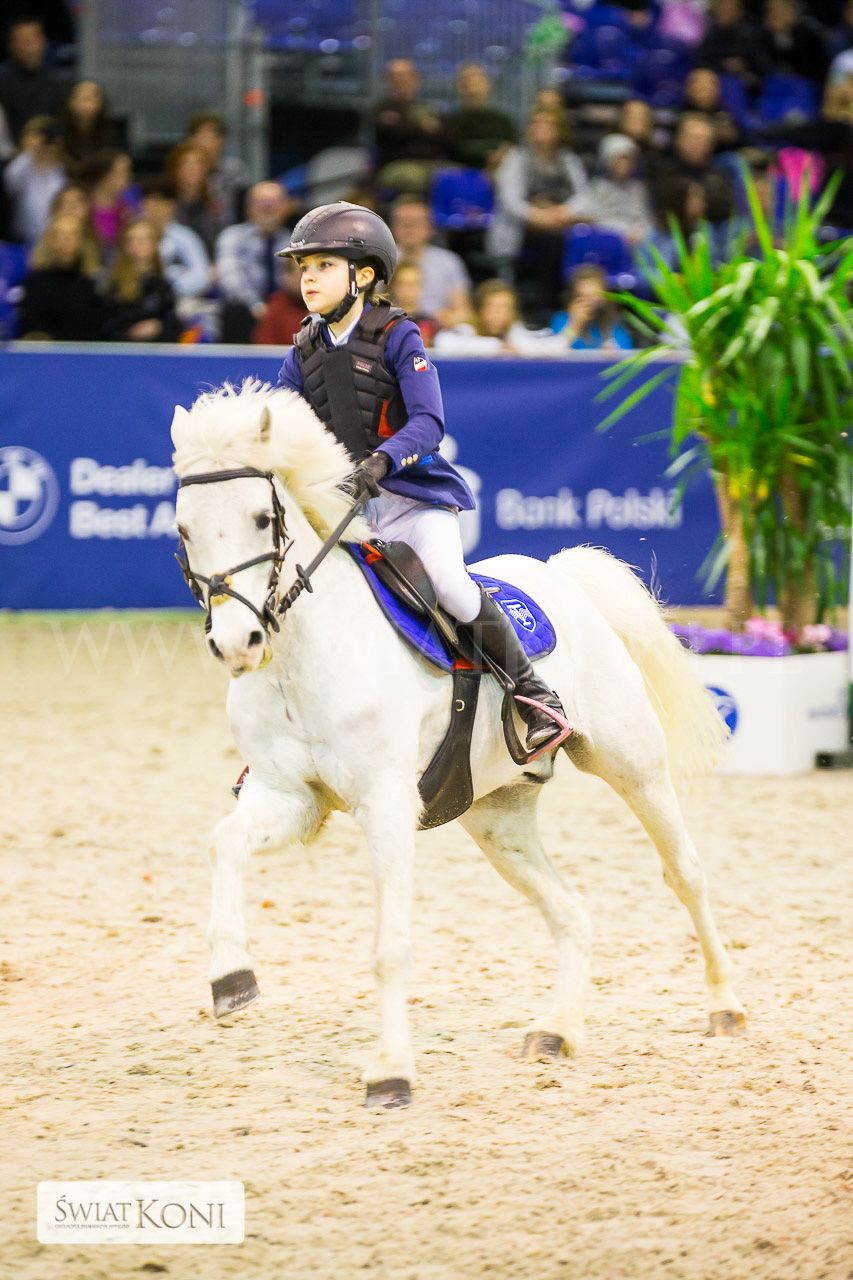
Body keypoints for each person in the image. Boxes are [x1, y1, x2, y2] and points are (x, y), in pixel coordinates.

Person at [275, 201, 566, 753]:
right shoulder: (303, 350)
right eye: (304, 267)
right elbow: (283, 423)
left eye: (324, 266)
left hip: (414, 502)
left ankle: (534, 694)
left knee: (451, 585)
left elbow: (429, 424)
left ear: (364, 275)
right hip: (349, 513)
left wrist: (381, 462)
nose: (308, 277)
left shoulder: (398, 335)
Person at [487, 107, 588, 322]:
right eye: (536, 124)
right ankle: (543, 307)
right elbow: (509, 198)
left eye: (547, 124)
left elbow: (584, 195)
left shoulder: (567, 159)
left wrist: (563, 211)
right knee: (551, 240)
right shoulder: (517, 157)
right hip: (523, 226)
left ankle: (562, 303)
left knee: (566, 239)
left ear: (559, 130)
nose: (541, 129)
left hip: (560, 222)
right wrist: (537, 215)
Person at [215, 180, 293, 343]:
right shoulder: (233, 236)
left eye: (274, 202)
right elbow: (231, 280)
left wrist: (275, 310)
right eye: (261, 202)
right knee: (235, 312)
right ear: (248, 207)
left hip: (283, 313)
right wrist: (257, 307)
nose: (268, 208)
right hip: (246, 313)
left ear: (286, 207)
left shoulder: (295, 242)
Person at [389, 195, 472, 328]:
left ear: (430, 227)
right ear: (392, 227)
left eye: (415, 222)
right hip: (393, 328)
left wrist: (445, 319)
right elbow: (370, 307)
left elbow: (464, 313)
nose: (408, 228)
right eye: (403, 222)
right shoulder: (381, 260)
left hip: (438, 330)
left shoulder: (449, 262)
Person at [19, 211, 104, 339]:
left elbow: (97, 330)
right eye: (59, 235)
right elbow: (32, 329)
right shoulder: (35, 282)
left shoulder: (92, 284)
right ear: (49, 240)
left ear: (81, 241)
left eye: (71, 235)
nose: (65, 242)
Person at [372, 58, 449, 197]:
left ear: (416, 79)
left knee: (459, 178)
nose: (401, 80)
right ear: (388, 81)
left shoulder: (430, 108)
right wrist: (422, 126)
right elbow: (392, 134)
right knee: (414, 178)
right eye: (395, 76)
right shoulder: (382, 109)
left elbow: (446, 137)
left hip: (434, 164)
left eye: (406, 75)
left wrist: (404, 124)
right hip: (397, 166)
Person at [103, 216, 181, 342]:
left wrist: (158, 327)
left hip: (157, 350)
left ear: (155, 245)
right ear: (126, 246)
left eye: (144, 239)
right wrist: (129, 333)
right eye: (133, 240)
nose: (138, 245)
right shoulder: (113, 287)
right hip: (123, 350)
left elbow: (174, 328)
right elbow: (106, 328)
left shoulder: (163, 286)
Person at [566, 134, 654, 245]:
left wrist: (639, 233)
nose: (624, 164)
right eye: (619, 159)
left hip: (635, 242)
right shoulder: (597, 187)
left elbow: (647, 221)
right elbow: (572, 209)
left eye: (628, 159)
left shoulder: (639, 189)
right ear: (607, 160)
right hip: (604, 242)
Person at [140, 177, 211, 313]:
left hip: (179, 301)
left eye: (158, 201)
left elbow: (202, 276)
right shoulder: (133, 234)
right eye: (148, 200)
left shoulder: (185, 237)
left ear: (172, 205)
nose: (153, 206)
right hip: (139, 300)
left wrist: (167, 286)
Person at [3, 113, 65, 245]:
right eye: (37, 136)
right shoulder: (19, 166)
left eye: (48, 137)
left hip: (56, 240)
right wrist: (30, 152)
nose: (44, 142)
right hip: (22, 240)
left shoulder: (64, 168)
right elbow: (9, 184)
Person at [0, 17, 63, 144]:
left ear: (44, 42)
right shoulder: (2, 79)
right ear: (12, 46)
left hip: (48, 149)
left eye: (35, 39)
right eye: (25, 41)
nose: (31, 47)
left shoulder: (56, 82)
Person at [444, 63, 516, 171]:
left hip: (500, 171)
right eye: (468, 81)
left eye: (478, 80)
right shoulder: (450, 122)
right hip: (462, 172)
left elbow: (512, 146)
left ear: (488, 85)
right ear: (459, 87)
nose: (473, 85)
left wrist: (502, 154)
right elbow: (452, 150)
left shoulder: (503, 121)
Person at [547, 265, 634, 351]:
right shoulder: (561, 320)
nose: (589, 304)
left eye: (594, 296)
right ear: (573, 298)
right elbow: (552, 352)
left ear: (605, 297)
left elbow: (626, 353)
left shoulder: (615, 323)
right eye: (582, 297)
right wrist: (575, 326)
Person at [184, 110, 249, 225]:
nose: (205, 142)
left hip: (230, 229)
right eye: (200, 135)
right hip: (188, 227)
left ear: (221, 140)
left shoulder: (235, 170)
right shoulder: (183, 170)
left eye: (211, 136)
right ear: (190, 140)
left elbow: (244, 208)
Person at [165, 141, 221, 254]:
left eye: (198, 164)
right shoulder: (164, 204)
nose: (192, 168)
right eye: (185, 163)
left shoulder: (218, 204)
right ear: (174, 169)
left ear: (207, 169)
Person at [81, 148, 138, 257]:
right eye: (124, 171)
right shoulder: (83, 207)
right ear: (105, 174)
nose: (129, 176)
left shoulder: (129, 209)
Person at [59, 79, 121, 171]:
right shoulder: (59, 130)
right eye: (79, 97)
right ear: (70, 101)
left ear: (101, 102)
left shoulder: (112, 131)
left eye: (89, 98)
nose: (84, 104)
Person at [250, 255, 307, 345]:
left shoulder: (325, 307)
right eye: (302, 273)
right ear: (288, 276)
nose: (309, 279)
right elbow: (264, 348)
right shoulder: (275, 310)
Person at [388, 258, 438, 346]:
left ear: (421, 286)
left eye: (415, 283)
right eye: (403, 283)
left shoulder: (431, 324)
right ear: (393, 286)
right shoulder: (384, 321)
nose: (410, 289)